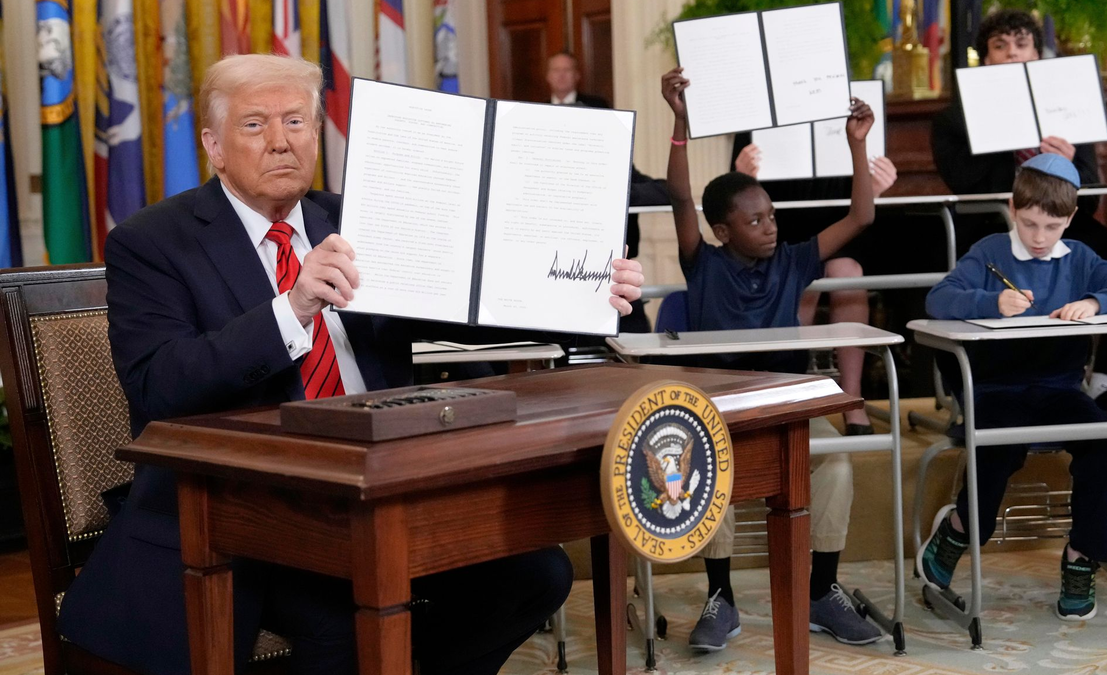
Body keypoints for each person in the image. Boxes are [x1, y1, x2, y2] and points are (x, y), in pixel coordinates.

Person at [56, 54, 646, 675]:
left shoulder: (357, 219)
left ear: (317, 135)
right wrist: (292, 309)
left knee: (537, 574)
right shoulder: (153, 242)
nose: (280, 141)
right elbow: (159, 384)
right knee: (345, 622)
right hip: (247, 514)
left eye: (295, 121)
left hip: (384, 492)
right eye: (255, 125)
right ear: (214, 147)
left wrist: (584, 293)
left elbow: (466, 307)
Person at [660, 66, 883, 648]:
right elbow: (680, 196)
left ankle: (821, 592)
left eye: (773, 216)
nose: (770, 228)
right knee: (706, 467)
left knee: (835, 461)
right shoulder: (703, 264)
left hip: (786, 405)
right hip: (718, 408)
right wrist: (680, 121)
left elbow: (861, 217)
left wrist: (857, 146)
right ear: (722, 230)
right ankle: (721, 598)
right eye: (755, 220)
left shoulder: (793, 260)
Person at [918, 154, 1107, 621]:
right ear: (1012, 208)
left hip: (1059, 389)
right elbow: (938, 298)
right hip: (995, 389)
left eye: (1052, 226)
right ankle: (960, 528)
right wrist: (990, 302)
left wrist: (1095, 301)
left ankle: (1081, 555)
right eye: (1029, 224)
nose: (1040, 238)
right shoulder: (989, 251)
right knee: (998, 444)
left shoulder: (1079, 258)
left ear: (1071, 217)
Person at [931, 7, 1107, 422]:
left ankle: (1104, 384)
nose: (1012, 54)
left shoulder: (1067, 108)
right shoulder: (955, 117)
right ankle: (984, 396)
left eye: (1022, 45)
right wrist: (1007, 142)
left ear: (1037, 55)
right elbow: (963, 184)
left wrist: (1067, 164)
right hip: (992, 226)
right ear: (985, 59)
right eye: (1000, 46)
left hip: (1065, 228)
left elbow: (1089, 199)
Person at [731, 136, 898, 433]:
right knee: (800, 281)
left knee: (848, 272)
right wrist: (743, 181)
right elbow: (731, 195)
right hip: (780, 225)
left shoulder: (849, 120)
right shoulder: (754, 120)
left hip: (842, 220)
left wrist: (872, 188)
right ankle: (790, 393)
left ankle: (851, 397)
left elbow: (861, 209)